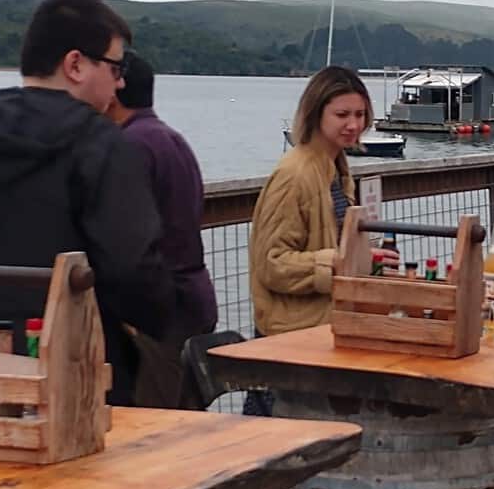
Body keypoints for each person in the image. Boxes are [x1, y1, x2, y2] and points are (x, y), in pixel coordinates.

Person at [0, 0, 174, 406]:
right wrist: (161, 323)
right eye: (116, 66)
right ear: (75, 64)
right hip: (75, 383)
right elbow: (135, 272)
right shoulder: (101, 144)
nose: (120, 82)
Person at [246, 67, 397, 412]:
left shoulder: (335, 167)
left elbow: (334, 246)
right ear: (316, 114)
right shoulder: (293, 175)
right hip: (288, 344)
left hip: (321, 332)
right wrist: (343, 263)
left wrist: (367, 258)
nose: (354, 125)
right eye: (342, 115)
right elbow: (272, 263)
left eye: (360, 115)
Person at [105, 55, 217, 407]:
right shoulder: (171, 139)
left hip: (161, 313)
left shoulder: (129, 146)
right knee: (185, 415)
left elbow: (129, 240)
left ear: (115, 90)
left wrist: (134, 317)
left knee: (157, 424)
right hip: (194, 297)